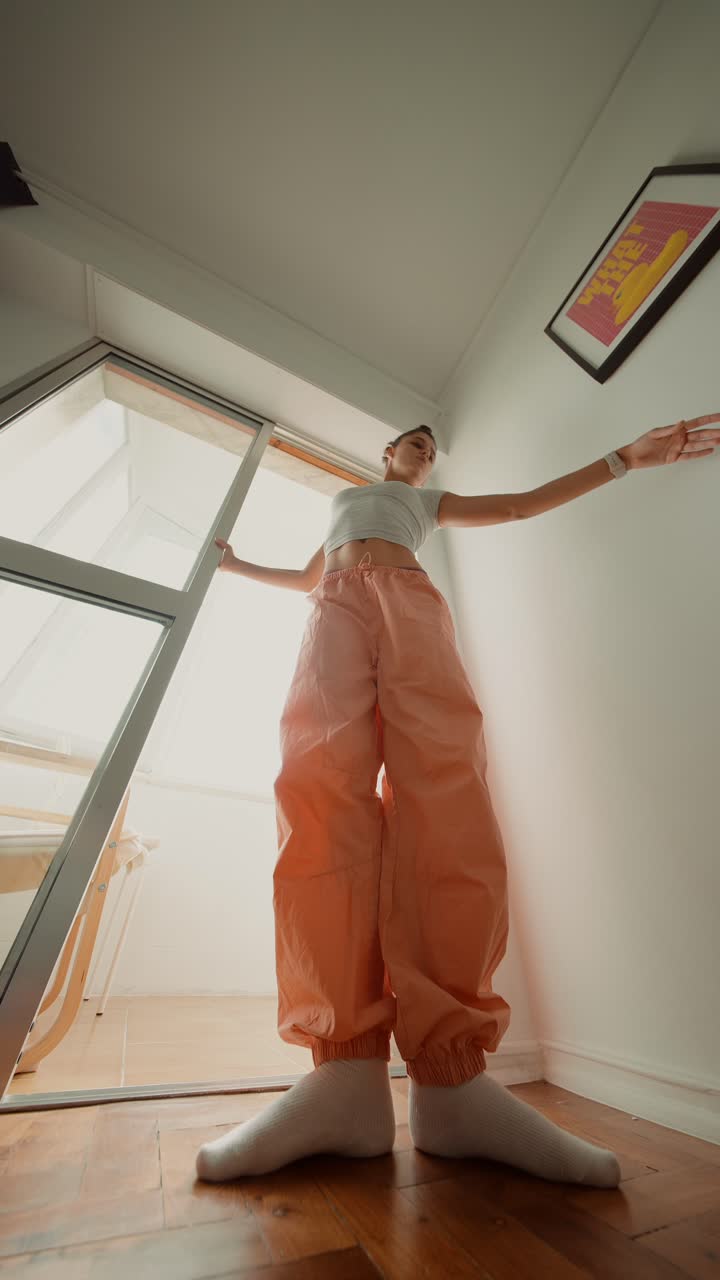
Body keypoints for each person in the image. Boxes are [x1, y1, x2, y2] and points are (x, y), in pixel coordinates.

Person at [197, 414, 720, 1187]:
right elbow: (310, 576)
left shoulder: (427, 504)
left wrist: (622, 458)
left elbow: (515, 504)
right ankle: (345, 1080)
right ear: (387, 451)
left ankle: (451, 1083)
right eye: (415, 445)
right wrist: (238, 569)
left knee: (445, 793)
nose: (423, 454)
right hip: (334, 607)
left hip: (409, 600)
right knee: (317, 790)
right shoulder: (350, 499)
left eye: (432, 451)